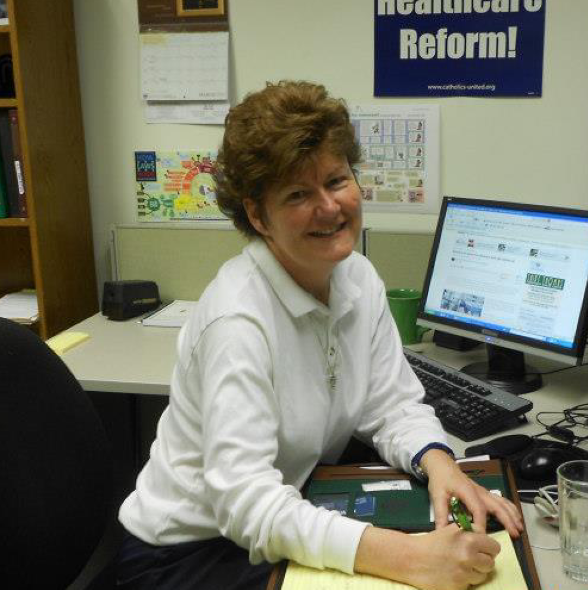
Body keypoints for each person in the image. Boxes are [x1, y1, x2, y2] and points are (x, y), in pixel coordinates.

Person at [116, 80, 523, 590]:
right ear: (258, 215)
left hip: (286, 506)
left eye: (336, 180)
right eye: (298, 194)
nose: (329, 207)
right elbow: (246, 504)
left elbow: (391, 404)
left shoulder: (357, 278)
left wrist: (439, 462)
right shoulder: (237, 322)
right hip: (186, 554)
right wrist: (409, 557)